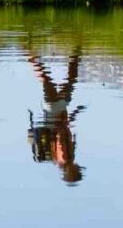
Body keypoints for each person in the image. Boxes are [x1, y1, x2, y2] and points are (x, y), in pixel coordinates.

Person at [26, 49, 84, 184]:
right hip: (55, 111)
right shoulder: (57, 160)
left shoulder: (65, 157)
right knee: (57, 80)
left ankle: (30, 55)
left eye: (77, 171)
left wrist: (64, 125)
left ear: (72, 171)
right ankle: (75, 51)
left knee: (50, 79)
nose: (78, 167)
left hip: (55, 111)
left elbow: (60, 137)